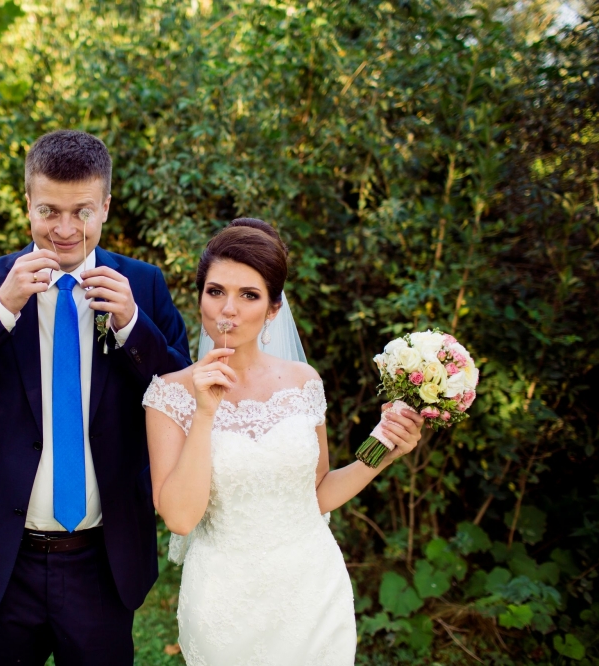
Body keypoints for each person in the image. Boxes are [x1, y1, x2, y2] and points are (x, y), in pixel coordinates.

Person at [0, 130, 190, 664]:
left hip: (103, 560)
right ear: (28, 205)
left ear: (105, 206)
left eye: (82, 211)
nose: (64, 229)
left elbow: (186, 401)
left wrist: (133, 325)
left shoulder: (143, 285)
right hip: (1, 557)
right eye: (48, 211)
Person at [142, 218, 425, 665]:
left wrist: (384, 450)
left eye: (249, 295)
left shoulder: (303, 382)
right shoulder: (167, 396)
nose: (228, 309)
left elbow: (317, 494)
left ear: (274, 308)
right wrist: (204, 414)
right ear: (199, 298)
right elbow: (179, 518)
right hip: (225, 601)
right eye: (215, 291)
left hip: (312, 591)